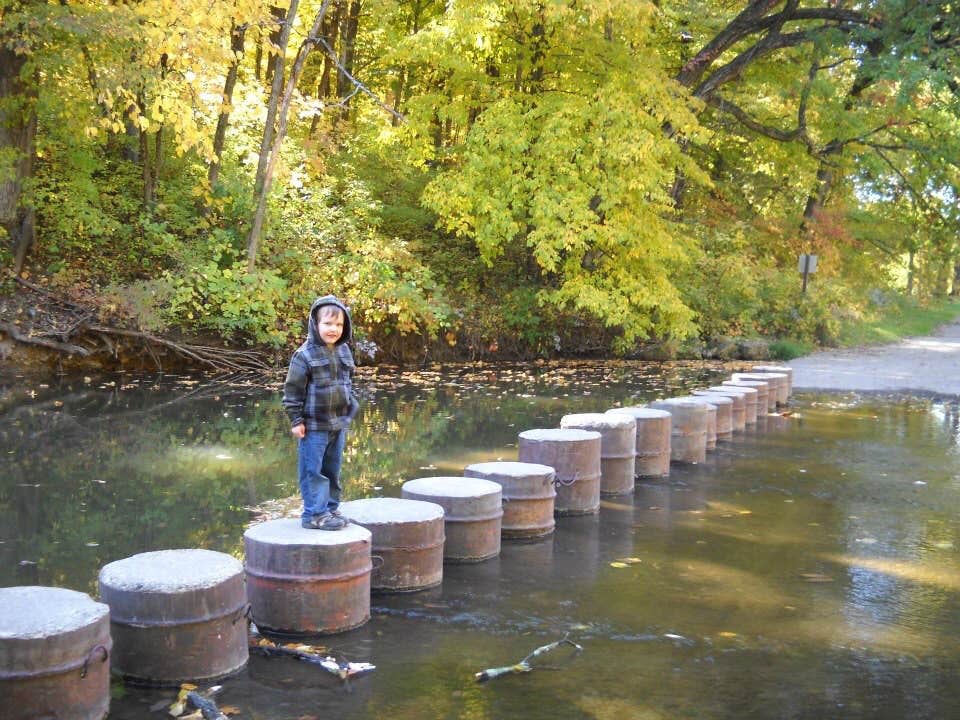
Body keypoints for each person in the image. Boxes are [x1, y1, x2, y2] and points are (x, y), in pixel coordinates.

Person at [282, 295, 360, 530]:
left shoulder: (344, 351)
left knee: (332, 469)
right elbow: (292, 391)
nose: (333, 329)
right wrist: (296, 420)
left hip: (338, 424)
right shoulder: (304, 355)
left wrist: (350, 405)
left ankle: (331, 509)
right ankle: (314, 514)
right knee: (313, 471)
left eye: (338, 324)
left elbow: (348, 381)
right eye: (327, 323)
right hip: (313, 426)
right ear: (315, 324)